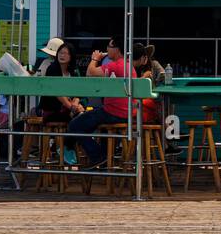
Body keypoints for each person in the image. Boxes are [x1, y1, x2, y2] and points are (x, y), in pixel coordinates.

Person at [65, 39, 158, 167]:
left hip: (113, 112)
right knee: (93, 125)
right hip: (125, 113)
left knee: (74, 125)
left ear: (116, 49)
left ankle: (97, 156)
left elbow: (89, 73)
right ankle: (103, 158)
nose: (107, 49)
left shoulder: (117, 65)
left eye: (109, 46)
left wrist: (95, 58)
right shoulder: (127, 66)